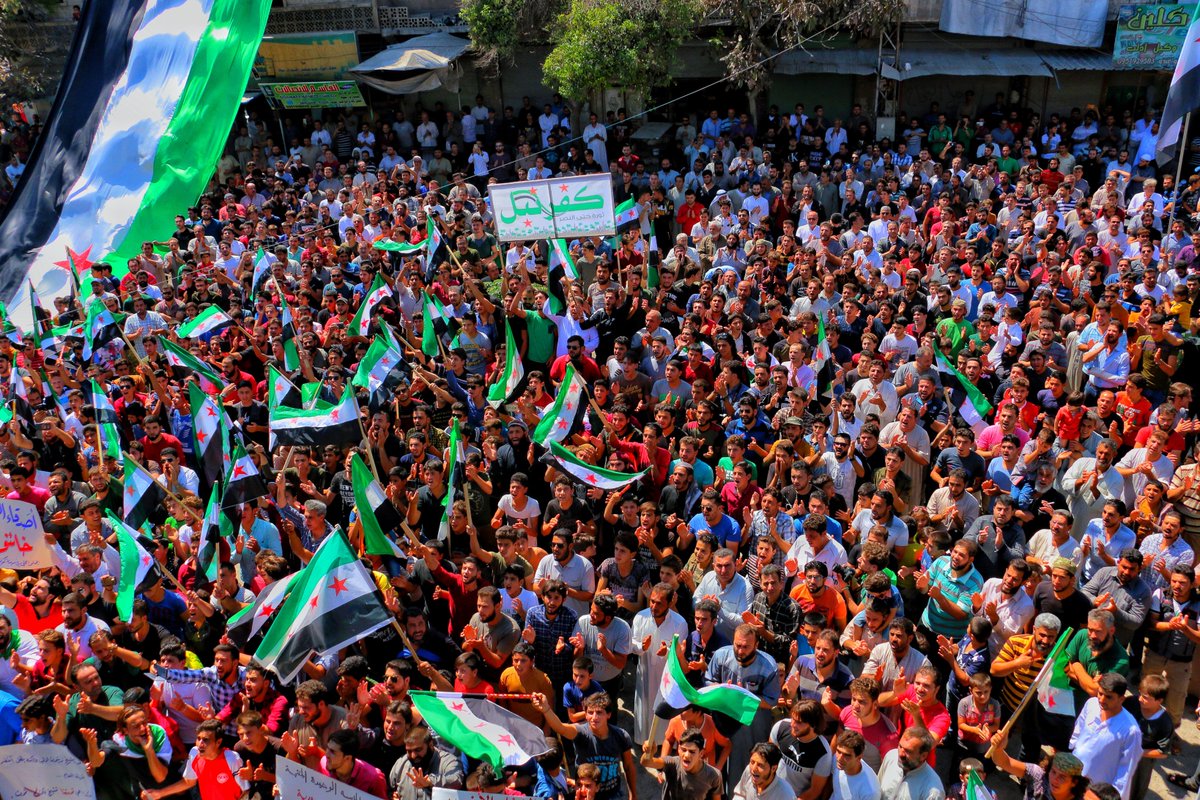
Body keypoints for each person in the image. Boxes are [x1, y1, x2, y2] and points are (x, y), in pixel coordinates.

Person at [1069, 673, 1141, 800]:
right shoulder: (1091, 704)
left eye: (1108, 697)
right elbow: (1078, 728)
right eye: (1100, 694)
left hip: (1097, 791)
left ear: (1121, 699)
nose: (1101, 700)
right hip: (1073, 778)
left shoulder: (1131, 730)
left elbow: (1126, 771)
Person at [639, 726, 722, 800]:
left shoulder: (714, 776)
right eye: (684, 750)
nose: (686, 755)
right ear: (678, 749)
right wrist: (649, 752)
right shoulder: (672, 764)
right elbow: (646, 762)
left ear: (701, 753)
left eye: (692, 751)